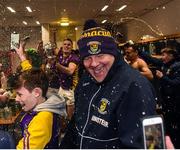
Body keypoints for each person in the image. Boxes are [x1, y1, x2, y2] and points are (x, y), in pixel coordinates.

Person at [60, 20, 157, 149]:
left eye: (100, 55)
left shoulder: (136, 85)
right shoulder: (86, 79)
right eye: (87, 58)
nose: (94, 63)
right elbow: (76, 125)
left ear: (113, 53)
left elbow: (151, 143)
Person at [9, 43, 66, 149]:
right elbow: (31, 75)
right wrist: (22, 56)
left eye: (19, 94)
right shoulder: (44, 97)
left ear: (36, 92)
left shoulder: (42, 119)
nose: (16, 99)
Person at [139, 47, 180, 148]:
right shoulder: (164, 64)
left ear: (171, 55)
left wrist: (162, 77)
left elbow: (176, 84)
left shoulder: (178, 66)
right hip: (166, 102)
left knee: (175, 128)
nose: (162, 57)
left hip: (176, 103)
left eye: (164, 55)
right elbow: (151, 59)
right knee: (168, 127)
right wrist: (139, 51)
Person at [56, 38, 80, 119]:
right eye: (65, 44)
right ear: (62, 46)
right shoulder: (60, 55)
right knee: (60, 107)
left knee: (70, 112)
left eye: (69, 44)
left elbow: (70, 71)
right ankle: (62, 124)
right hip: (62, 86)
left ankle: (70, 125)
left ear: (72, 46)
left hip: (70, 88)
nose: (66, 46)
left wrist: (58, 66)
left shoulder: (74, 57)